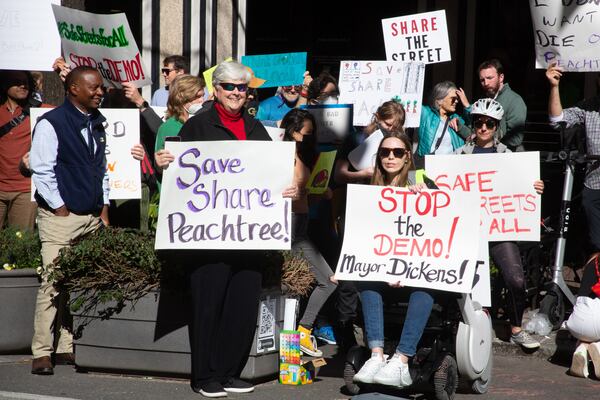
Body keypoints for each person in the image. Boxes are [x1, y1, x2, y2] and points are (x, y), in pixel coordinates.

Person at [154, 61, 298, 398]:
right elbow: (179, 178)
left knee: (241, 305)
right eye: (229, 87)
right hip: (208, 238)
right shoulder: (198, 126)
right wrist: (164, 166)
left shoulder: (255, 127)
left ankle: (228, 372)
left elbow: (271, 175)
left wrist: (285, 188)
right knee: (208, 304)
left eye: (241, 88)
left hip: (248, 237)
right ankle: (204, 376)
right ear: (216, 90)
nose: (236, 93)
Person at [29, 66, 110, 375]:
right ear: (74, 89)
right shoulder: (52, 123)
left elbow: (100, 169)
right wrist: (60, 207)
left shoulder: (98, 123)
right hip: (61, 217)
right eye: (94, 87)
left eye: (101, 87)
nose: (100, 92)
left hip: (90, 217)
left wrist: (101, 208)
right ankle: (41, 351)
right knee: (51, 283)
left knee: (77, 283)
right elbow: (43, 169)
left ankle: (66, 346)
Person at [455, 98, 543, 349]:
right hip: (468, 229)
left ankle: (516, 327)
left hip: (499, 228)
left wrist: (536, 187)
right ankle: (466, 326)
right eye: (479, 123)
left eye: (489, 124)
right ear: (472, 124)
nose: (483, 128)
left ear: (497, 127)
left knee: (515, 278)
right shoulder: (457, 156)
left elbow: (524, 187)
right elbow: (440, 183)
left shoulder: (510, 157)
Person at [353, 132, 433, 388]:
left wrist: (428, 196)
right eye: (385, 152)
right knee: (367, 284)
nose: (390, 157)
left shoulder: (422, 180)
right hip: (383, 270)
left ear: (407, 155)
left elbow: (443, 228)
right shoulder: (371, 190)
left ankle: (402, 359)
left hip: (418, 270)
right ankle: (376, 355)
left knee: (424, 290)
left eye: (397, 152)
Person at [333, 100, 407, 350]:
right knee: (350, 275)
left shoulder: (397, 145)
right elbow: (339, 174)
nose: (390, 130)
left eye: (396, 126)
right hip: (357, 212)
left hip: (385, 217)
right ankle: (345, 332)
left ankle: (370, 328)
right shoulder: (355, 140)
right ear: (377, 117)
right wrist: (362, 175)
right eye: (387, 124)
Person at [280, 108, 337, 357]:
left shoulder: (301, 155)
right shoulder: (282, 156)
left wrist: (319, 192)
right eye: (308, 133)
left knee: (323, 281)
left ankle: (299, 338)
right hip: (288, 225)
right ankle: (295, 342)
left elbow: (304, 197)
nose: (311, 137)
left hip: (300, 223)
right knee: (307, 284)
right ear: (293, 132)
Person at [546, 62, 600, 252]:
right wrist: (554, 86)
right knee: (596, 243)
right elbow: (556, 120)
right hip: (594, 184)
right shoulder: (589, 107)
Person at [0, 70, 45, 231]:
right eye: (16, 81)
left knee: (21, 244)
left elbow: (70, 108)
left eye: (26, 81)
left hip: (25, 190)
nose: (23, 85)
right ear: (5, 84)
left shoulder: (40, 110)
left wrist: (64, 79)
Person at [477, 59, 527, 151]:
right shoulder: (482, 100)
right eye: (482, 80)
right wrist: (459, 126)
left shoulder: (514, 100)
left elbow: (515, 139)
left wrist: (489, 144)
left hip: (506, 158)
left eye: (489, 78)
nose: (486, 83)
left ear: (501, 77)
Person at [415, 81, 471, 161]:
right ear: (439, 100)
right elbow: (409, 105)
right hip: (430, 165)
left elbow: (474, 127)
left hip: (452, 166)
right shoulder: (427, 114)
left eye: (457, 99)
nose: (456, 101)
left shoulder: (456, 119)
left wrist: (467, 105)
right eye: (453, 99)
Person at [565, 253, 600, 378]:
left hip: (578, 321)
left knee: (589, 331)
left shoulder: (593, 259)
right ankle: (598, 347)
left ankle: (582, 348)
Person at [154, 75, 205, 153]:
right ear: (181, 97)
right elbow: (160, 160)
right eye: (197, 96)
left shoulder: (204, 123)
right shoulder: (168, 128)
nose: (202, 100)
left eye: (203, 96)